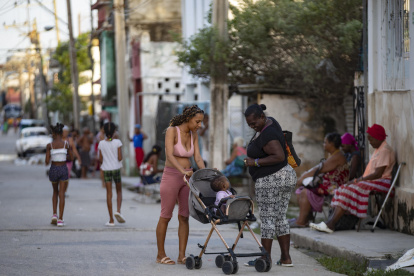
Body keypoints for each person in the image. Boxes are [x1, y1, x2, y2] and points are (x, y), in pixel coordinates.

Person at [310, 124, 396, 233]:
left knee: (348, 190)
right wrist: (356, 180)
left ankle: (331, 224)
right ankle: (330, 223)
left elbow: (378, 174)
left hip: (381, 181)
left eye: (371, 139)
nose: (369, 142)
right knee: (342, 188)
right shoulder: (379, 149)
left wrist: (358, 180)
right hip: (373, 180)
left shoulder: (385, 150)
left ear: (378, 137)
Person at [243, 104, 297, 267]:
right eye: (249, 125)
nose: (253, 126)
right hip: (285, 176)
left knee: (267, 219)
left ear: (261, 117)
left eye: (254, 123)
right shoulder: (271, 122)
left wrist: (255, 162)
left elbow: (279, 156)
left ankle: (264, 258)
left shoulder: (268, 134)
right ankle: (286, 258)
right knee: (280, 217)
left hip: (272, 179)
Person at [156, 105, 205, 265]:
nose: (199, 125)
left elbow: (197, 157)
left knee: (184, 216)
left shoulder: (193, 134)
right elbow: (169, 155)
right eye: (197, 121)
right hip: (172, 176)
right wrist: (182, 171)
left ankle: (181, 255)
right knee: (166, 216)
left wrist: (206, 174)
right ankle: (160, 255)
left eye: (200, 122)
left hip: (188, 177)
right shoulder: (172, 130)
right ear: (188, 118)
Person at [291, 133, 350, 228]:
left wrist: (302, 177)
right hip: (329, 184)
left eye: (325, 142)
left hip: (335, 187)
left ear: (332, 144)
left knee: (305, 191)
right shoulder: (334, 155)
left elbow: (319, 169)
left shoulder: (337, 157)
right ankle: (305, 219)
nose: (324, 145)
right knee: (301, 190)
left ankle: (301, 221)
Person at [45, 123, 73, 227]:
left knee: (55, 192)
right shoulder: (66, 144)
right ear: (61, 133)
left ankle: (54, 214)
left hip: (54, 168)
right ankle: (60, 219)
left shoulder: (50, 145)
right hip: (63, 169)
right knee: (62, 193)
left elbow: (47, 161)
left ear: (54, 133)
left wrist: (52, 155)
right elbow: (71, 157)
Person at [98, 122, 126, 226]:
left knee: (109, 194)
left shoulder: (101, 143)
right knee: (119, 191)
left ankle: (111, 220)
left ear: (104, 132)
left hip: (106, 170)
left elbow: (100, 159)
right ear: (114, 131)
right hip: (116, 169)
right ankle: (118, 211)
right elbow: (120, 158)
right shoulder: (117, 142)